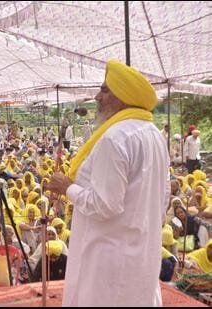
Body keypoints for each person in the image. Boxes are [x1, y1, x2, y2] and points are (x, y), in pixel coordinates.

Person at [48, 60, 169, 306]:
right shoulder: (154, 134)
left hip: (108, 260)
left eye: (105, 90)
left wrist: (67, 187)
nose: (97, 96)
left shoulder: (114, 138)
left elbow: (105, 205)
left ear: (122, 96)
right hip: (141, 253)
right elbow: (163, 198)